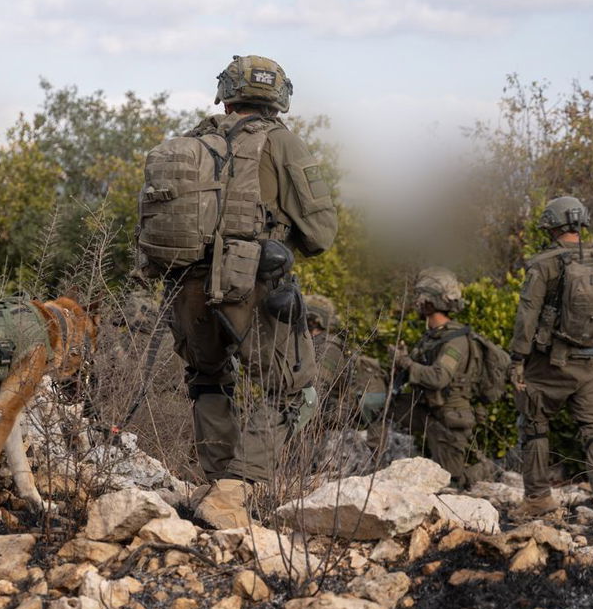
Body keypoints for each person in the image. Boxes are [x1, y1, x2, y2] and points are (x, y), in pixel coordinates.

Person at [150, 55, 338, 528]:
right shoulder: (282, 142)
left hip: (184, 284)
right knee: (294, 391)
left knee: (209, 381)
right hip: (249, 281)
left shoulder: (195, 142)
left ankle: (214, 485)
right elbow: (321, 234)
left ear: (227, 94)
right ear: (278, 97)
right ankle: (233, 493)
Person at [508, 195, 593, 521]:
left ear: (551, 225)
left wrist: (518, 359)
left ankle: (538, 499)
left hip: (550, 363)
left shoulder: (543, 264)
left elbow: (527, 316)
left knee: (534, 424)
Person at [374, 268, 476, 488]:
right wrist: (400, 364)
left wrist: (406, 363)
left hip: (448, 417)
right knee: (378, 406)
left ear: (430, 302)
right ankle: (375, 465)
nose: (417, 303)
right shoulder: (431, 337)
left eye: (421, 298)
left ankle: (483, 469)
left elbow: (438, 377)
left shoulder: (455, 340)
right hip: (426, 410)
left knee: (453, 481)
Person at [305, 294, 383, 427]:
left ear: (313, 321)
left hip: (336, 419)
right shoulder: (315, 344)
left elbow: (315, 393)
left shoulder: (327, 349)